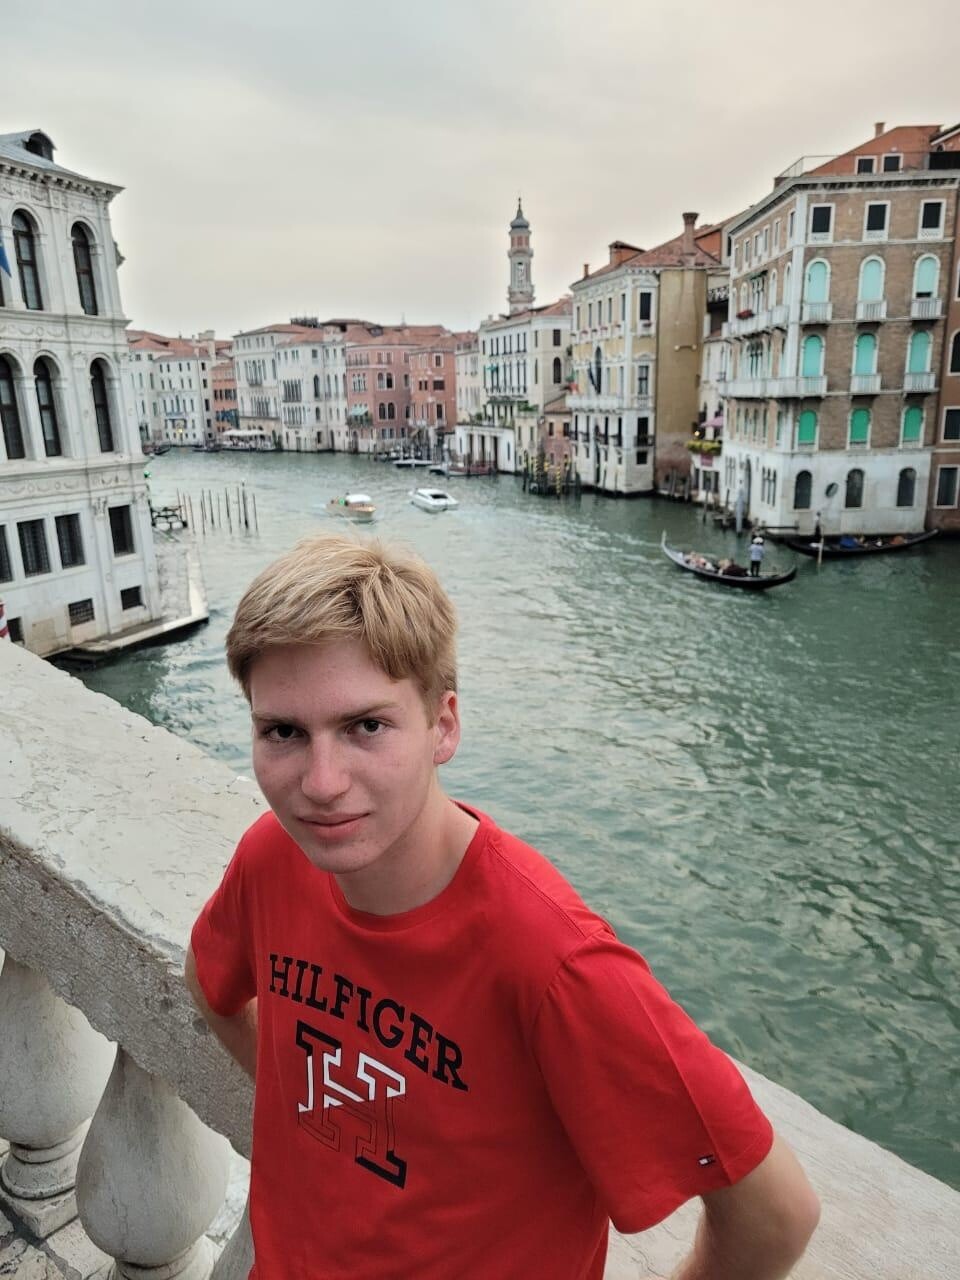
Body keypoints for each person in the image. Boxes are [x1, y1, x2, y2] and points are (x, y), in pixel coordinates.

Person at [185, 534, 819, 1280]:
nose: (322, 783)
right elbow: (211, 981)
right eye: (284, 732)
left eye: (366, 726)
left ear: (443, 726)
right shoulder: (271, 858)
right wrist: (309, 1111)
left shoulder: (554, 961)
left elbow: (775, 1214)